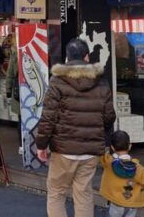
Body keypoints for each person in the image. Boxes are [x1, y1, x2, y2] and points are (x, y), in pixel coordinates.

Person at [35, 38, 116, 217]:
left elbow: (48, 118)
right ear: (87, 57)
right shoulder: (101, 82)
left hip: (63, 149)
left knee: (57, 192)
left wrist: (41, 145)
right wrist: (105, 139)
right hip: (90, 150)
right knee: (84, 193)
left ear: (67, 58)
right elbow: (109, 116)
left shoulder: (57, 81)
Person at [100, 130, 144, 217]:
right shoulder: (136, 167)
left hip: (115, 203)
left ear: (112, 147)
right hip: (132, 205)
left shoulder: (108, 162)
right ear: (130, 146)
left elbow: (100, 151)